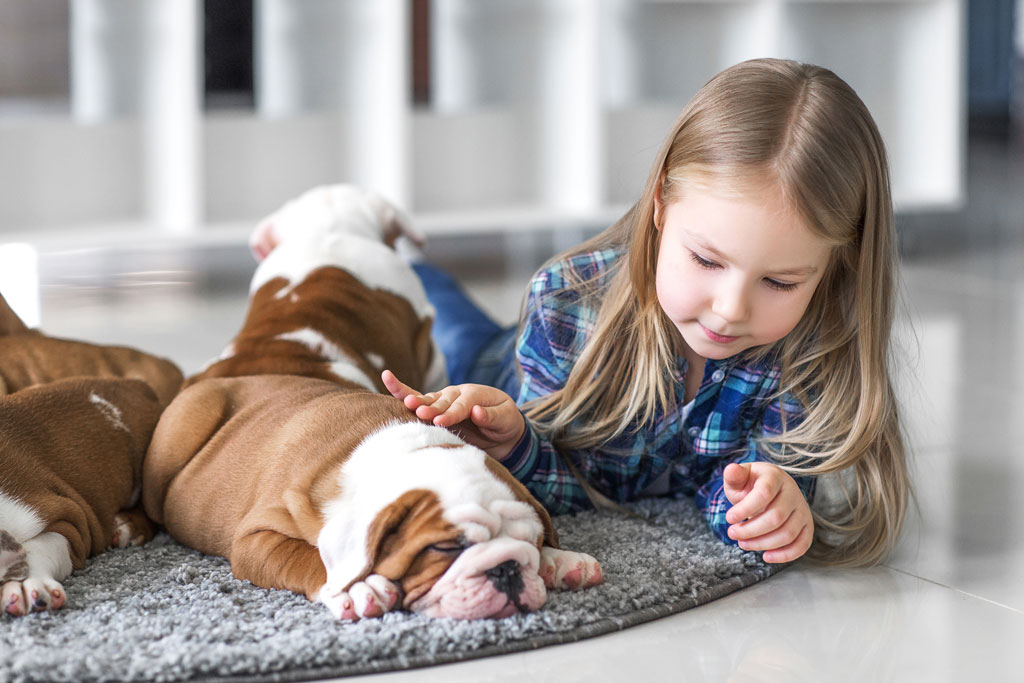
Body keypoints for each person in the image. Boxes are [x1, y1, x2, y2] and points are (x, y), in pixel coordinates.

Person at [386, 57, 908, 568]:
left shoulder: (812, 347)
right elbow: (550, 485)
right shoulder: (565, 299)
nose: (730, 311)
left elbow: (737, 488)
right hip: (495, 374)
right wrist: (519, 442)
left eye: (779, 282)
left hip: (511, 409)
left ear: (835, 267)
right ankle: (398, 262)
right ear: (660, 203)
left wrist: (763, 505)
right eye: (706, 260)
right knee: (440, 322)